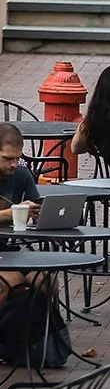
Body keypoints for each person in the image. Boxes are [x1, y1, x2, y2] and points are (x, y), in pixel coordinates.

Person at [0, 126, 44, 296]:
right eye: (7, 158)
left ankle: (46, 323)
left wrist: (40, 215)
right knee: (13, 282)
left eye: (17, 158)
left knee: (45, 280)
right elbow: (12, 213)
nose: (13, 164)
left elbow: (36, 208)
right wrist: (11, 213)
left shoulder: (22, 174)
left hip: (6, 250)